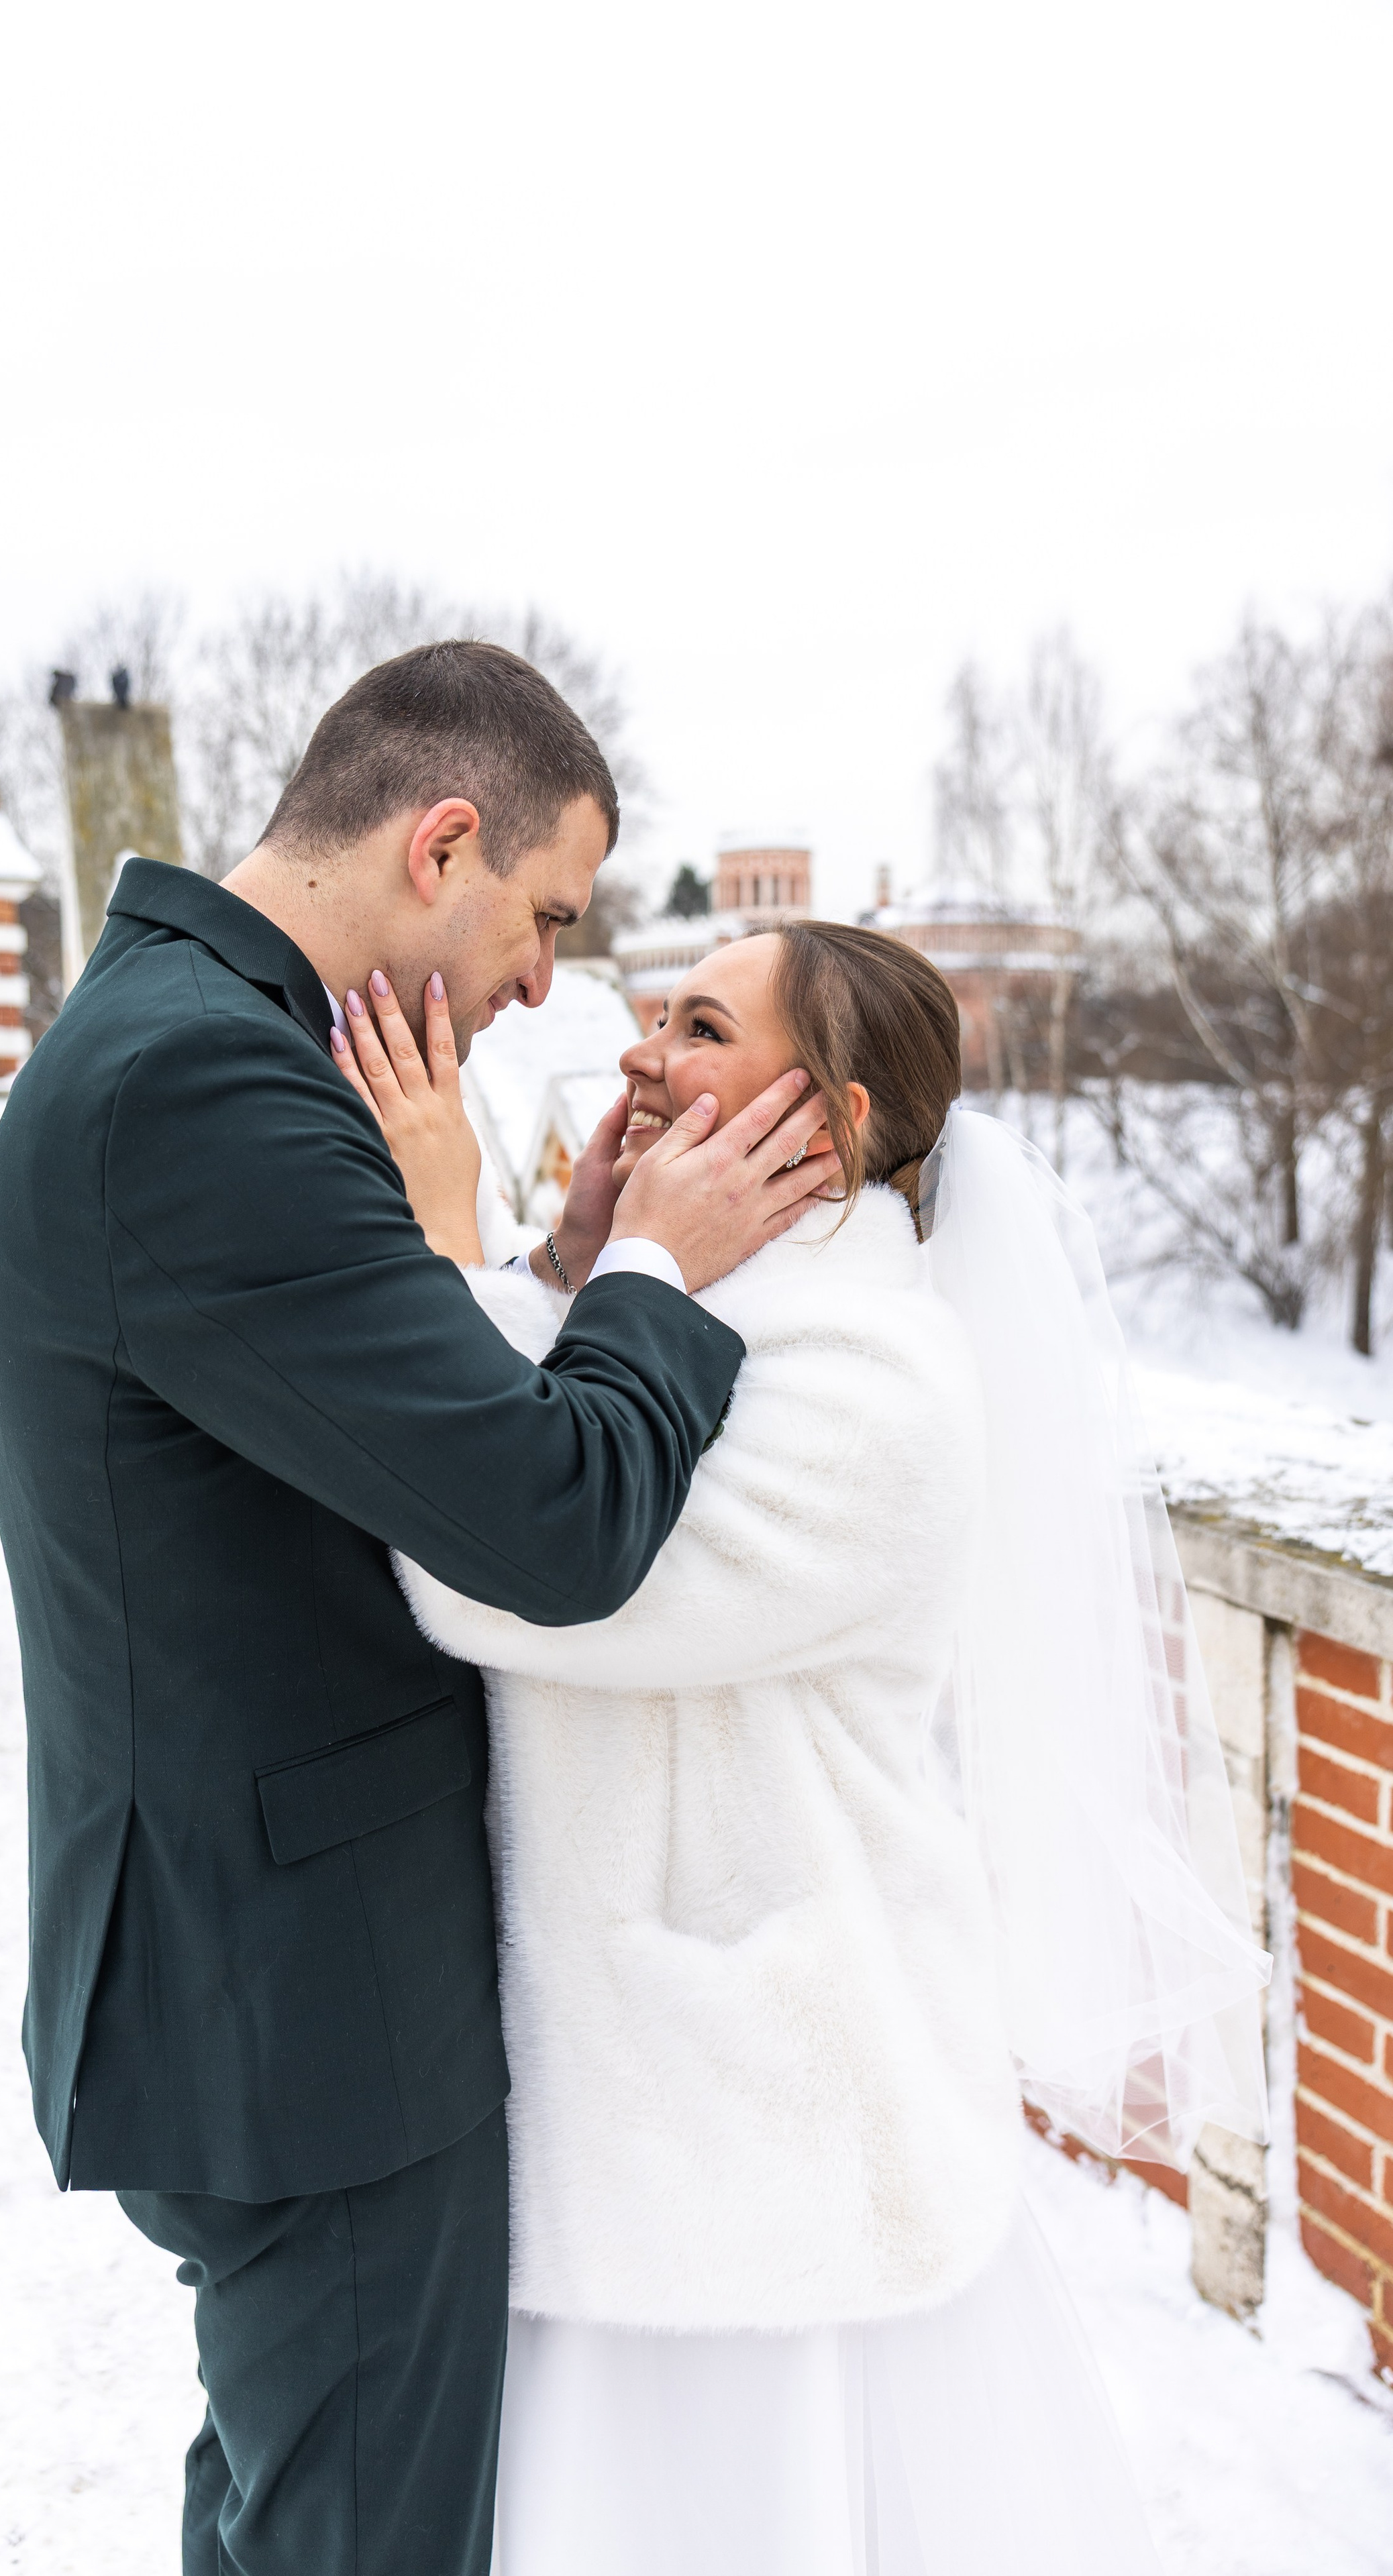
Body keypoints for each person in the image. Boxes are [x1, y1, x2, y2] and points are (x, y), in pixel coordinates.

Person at [0, 641, 839, 2576]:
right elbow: (548, 1523)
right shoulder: (209, 1083)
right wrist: (666, 1289)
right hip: (312, 2012)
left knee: (297, 2515)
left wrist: (547, 1265)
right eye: (544, 914)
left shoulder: (186, 1039)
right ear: (440, 842)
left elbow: (337, 1414)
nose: (549, 980)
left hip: (257, 1984)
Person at [336, 918, 1270, 2575]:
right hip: (640, 2112)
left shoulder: (871, 1390)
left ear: (821, 1124)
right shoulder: (700, 1316)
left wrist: (431, 1240)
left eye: (696, 1028)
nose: (635, 1053)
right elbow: (565, 1423)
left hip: (760, 2140)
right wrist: (563, 1270)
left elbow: (521, 1568)